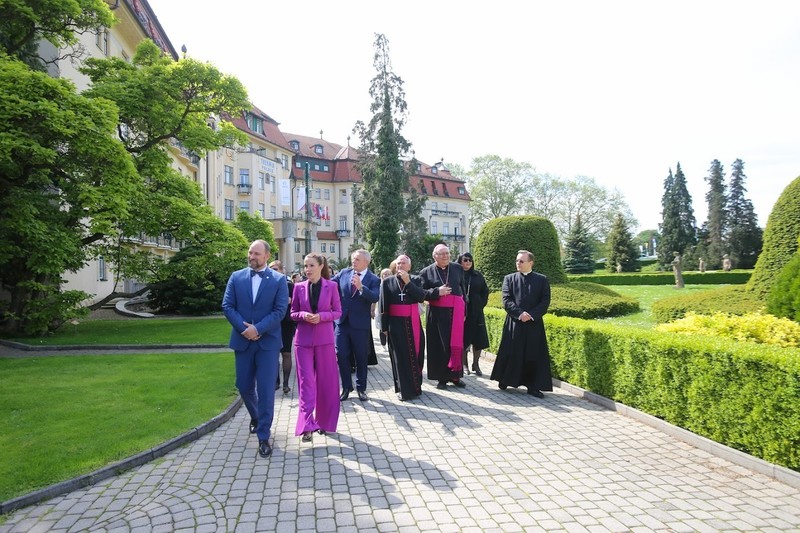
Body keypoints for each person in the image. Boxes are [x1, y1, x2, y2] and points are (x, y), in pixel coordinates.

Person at [222, 240, 288, 458]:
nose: (252, 256)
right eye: (250, 252)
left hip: (267, 343)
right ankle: (257, 416)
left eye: (257, 253)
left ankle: (263, 436)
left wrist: (258, 328)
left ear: (267, 256)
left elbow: (280, 311)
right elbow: (227, 306)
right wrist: (245, 329)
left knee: (267, 390)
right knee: (243, 385)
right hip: (243, 341)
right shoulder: (236, 277)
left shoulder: (279, 280)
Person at [290, 253, 342, 443]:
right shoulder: (298, 287)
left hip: (325, 340)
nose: (307, 269)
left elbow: (337, 312)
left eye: (311, 265)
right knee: (306, 383)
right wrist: (303, 315)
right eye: (305, 266)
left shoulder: (332, 286)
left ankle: (325, 422)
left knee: (327, 382)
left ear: (321, 266)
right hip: (302, 341)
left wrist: (321, 316)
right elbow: (293, 313)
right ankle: (306, 425)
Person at [491, 250, 553, 398]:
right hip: (514, 322)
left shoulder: (542, 280)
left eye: (521, 261)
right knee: (511, 351)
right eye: (517, 261)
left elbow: (545, 301)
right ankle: (505, 379)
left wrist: (531, 315)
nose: (518, 263)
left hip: (534, 323)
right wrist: (520, 314)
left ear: (530, 263)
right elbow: (506, 300)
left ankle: (533, 386)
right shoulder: (509, 279)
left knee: (533, 354)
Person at [332, 249, 380, 402]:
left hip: (360, 324)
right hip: (342, 322)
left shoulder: (373, 279)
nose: (353, 262)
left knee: (361, 357)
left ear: (366, 262)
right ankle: (346, 387)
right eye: (353, 259)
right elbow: (330, 284)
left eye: (357, 259)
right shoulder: (344, 273)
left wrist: (361, 287)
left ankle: (361, 388)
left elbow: (375, 296)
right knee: (341, 355)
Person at [377, 254, 426, 401]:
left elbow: (421, 297)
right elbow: (383, 306)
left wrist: (408, 282)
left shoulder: (416, 280)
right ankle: (402, 389)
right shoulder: (387, 282)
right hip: (395, 325)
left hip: (413, 323)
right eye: (398, 263)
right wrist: (384, 327)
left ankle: (416, 386)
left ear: (409, 266)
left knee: (417, 355)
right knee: (399, 358)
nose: (400, 266)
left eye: (404, 263)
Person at [420, 244, 467, 390]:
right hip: (437, 314)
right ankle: (441, 377)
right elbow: (421, 293)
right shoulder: (426, 272)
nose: (446, 256)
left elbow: (463, 289)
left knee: (456, 343)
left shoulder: (458, 268)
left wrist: (465, 310)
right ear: (435, 256)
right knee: (439, 345)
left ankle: (455, 376)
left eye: (447, 253)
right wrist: (436, 292)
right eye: (442, 254)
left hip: (456, 312)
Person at [457, 252, 490, 376]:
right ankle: (464, 364)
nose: (468, 262)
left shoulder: (477, 275)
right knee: (464, 339)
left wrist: (481, 303)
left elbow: (485, 291)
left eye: (470, 260)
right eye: (465, 260)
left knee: (479, 339)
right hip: (463, 313)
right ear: (460, 261)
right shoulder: (457, 274)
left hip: (477, 311)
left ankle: (476, 364)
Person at [269, 260, 295, 394]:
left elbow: (295, 302)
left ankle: (286, 383)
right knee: (272, 354)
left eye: (275, 269)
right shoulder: (266, 285)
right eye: (271, 269)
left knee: (286, 353)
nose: (273, 271)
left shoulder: (289, 285)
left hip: (286, 323)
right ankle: (275, 382)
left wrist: (290, 301)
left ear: (281, 270)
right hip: (271, 324)